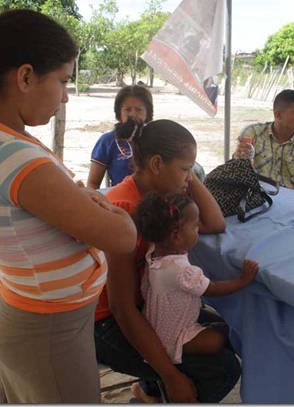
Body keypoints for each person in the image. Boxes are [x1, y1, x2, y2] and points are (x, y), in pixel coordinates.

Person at [0, 9, 137, 403]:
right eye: (63, 80)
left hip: (25, 305)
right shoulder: (13, 157)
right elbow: (122, 237)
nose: (65, 95)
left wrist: (83, 202)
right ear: (26, 76)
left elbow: (58, 206)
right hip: (47, 326)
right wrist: (101, 207)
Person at [93, 119, 241, 403]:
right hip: (106, 323)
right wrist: (170, 376)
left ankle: (149, 392)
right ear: (157, 164)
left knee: (230, 333)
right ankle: (160, 391)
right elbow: (120, 306)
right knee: (223, 368)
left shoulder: (163, 199)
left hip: (149, 305)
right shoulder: (124, 209)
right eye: (186, 169)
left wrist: (187, 177)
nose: (190, 177)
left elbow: (215, 222)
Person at [134, 192, 258, 364]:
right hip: (174, 338)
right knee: (217, 339)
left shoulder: (153, 252)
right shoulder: (181, 270)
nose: (198, 229)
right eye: (195, 227)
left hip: (156, 328)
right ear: (176, 236)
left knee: (219, 327)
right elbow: (213, 289)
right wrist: (242, 281)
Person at [87, 85, 154, 189]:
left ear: (147, 113)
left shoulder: (156, 139)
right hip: (118, 202)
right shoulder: (107, 141)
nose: (133, 114)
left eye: (138, 109)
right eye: (127, 109)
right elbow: (93, 184)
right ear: (119, 113)